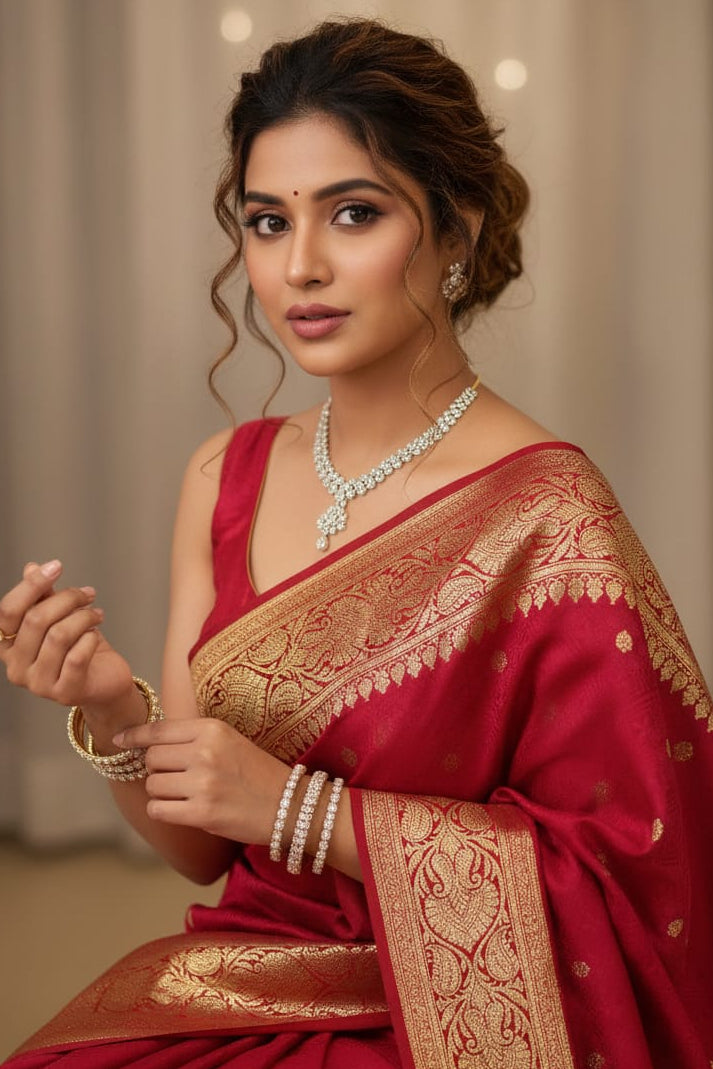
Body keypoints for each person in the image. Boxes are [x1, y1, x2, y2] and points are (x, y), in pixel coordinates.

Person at [1, 17, 711, 1069]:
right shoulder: (221, 476)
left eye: (354, 212)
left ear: (456, 226)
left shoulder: (547, 514)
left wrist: (298, 808)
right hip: (238, 983)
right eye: (266, 220)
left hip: (451, 1015)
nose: (302, 266)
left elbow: (635, 872)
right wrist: (108, 710)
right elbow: (201, 849)